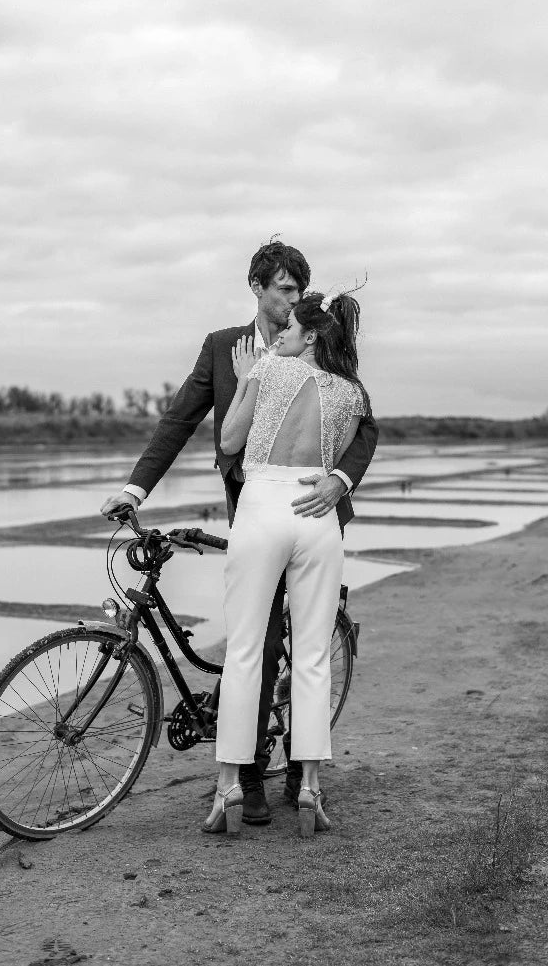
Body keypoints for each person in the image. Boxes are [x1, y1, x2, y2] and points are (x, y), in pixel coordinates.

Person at [100, 240, 378, 823]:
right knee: (272, 647)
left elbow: (366, 430)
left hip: (303, 508)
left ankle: (275, 774)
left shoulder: (316, 346)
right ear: (257, 286)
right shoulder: (223, 346)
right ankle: (260, 777)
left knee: (272, 647)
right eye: (284, 289)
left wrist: (340, 480)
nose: (293, 301)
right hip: (260, 514)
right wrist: (135, 488)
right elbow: (178, 420)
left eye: (299, 292)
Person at [202, 289, 373, 837]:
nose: (278, 338)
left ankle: (229, 786)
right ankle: (310, 789)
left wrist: (246, 379)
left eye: (289, 330)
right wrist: (332, 479)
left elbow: (230, 440)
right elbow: (337, 455)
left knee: (245, 651)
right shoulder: (352, 391)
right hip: (315, 514)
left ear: (311, 335)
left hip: (262, 508)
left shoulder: (268, 368)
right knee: (313, 657)